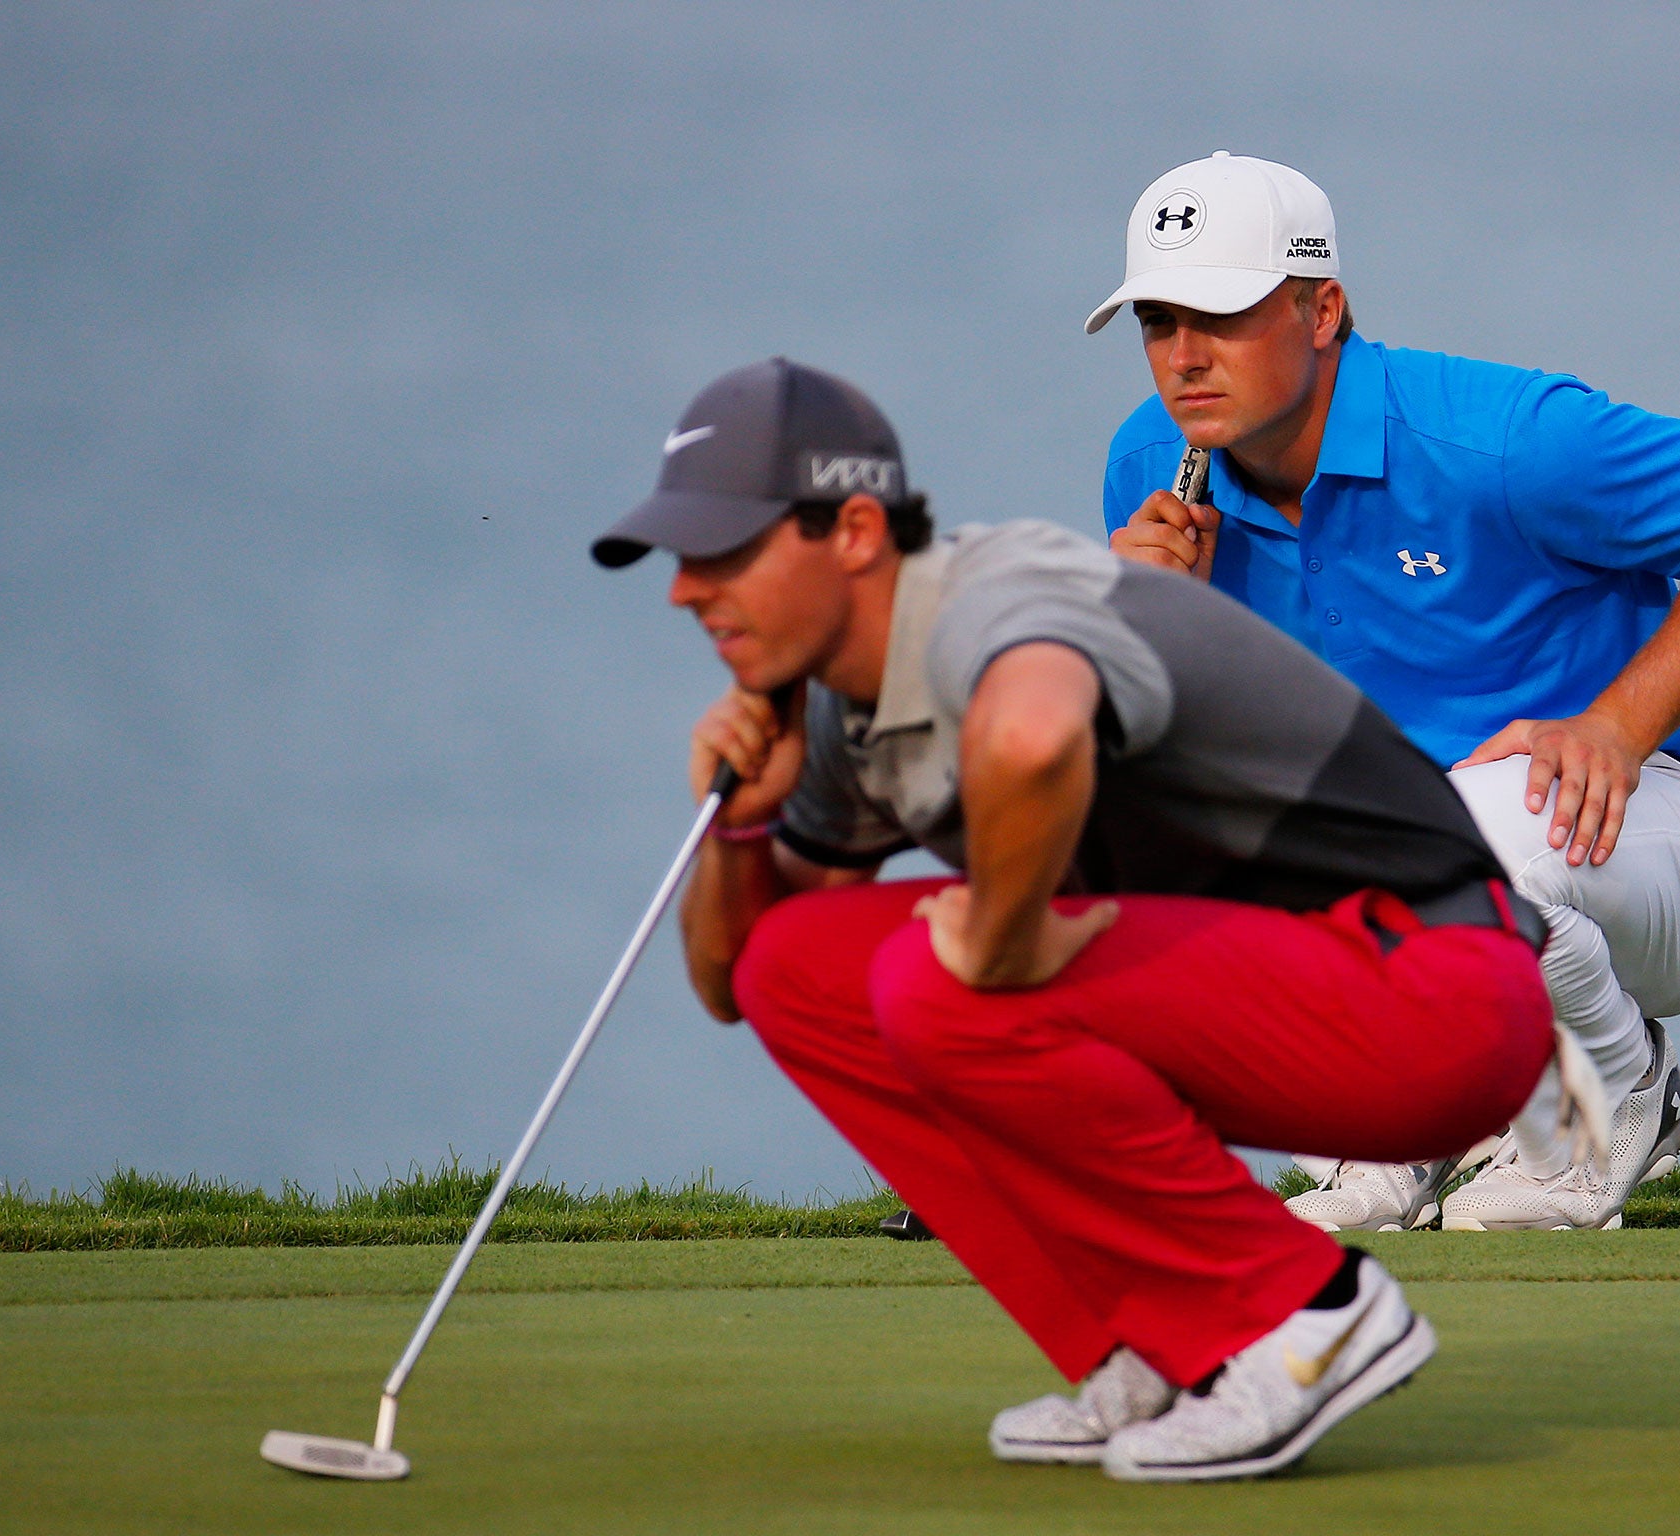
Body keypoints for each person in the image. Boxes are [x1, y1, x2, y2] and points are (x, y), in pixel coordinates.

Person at [592, 356, 1595, 1480]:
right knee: (803, 967)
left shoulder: (994, 596)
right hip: (1281, 994)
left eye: (722, 553)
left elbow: (1031, 736)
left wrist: (1006, 940)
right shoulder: (834, 709)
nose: (685, 590)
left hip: (1436, 992)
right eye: (682, 560)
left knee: (946, 980)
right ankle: (1160, 1341)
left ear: (856, 531)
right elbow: (738, 987)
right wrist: (740, 829)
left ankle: (1306, 1313)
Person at [1090, 153, 1680, 1232]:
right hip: (1445, 871)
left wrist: (1618, 726)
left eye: (1220, 312)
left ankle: (1608, 1105)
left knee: (1450, 831)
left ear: (1318, 308)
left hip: (1653, 839)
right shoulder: (1152, 468)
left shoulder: (1505, 440)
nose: (1182, 356)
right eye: (1157, 321)